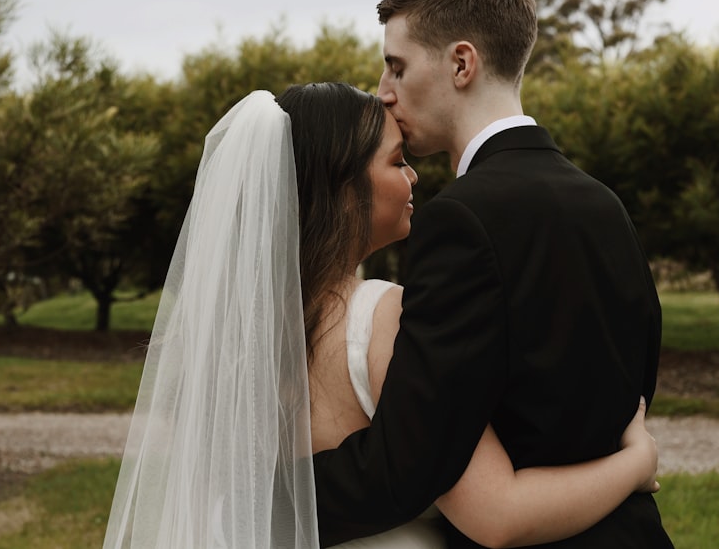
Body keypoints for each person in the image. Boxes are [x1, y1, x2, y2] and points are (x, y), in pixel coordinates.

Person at [102, 83, 662, 548]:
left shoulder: (228, 338)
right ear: (344, 190)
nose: (414, 177)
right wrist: (635, 463)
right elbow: (498, 514)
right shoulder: (385, 317)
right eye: (396, 162)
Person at [310, 0, 673, 548]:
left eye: (397, 67)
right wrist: (634, 462)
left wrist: (255, 494)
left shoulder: (460, 221)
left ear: (461, 63)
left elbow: (412, 460)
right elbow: (634, 386)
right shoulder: (605, 204)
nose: (384, 92)